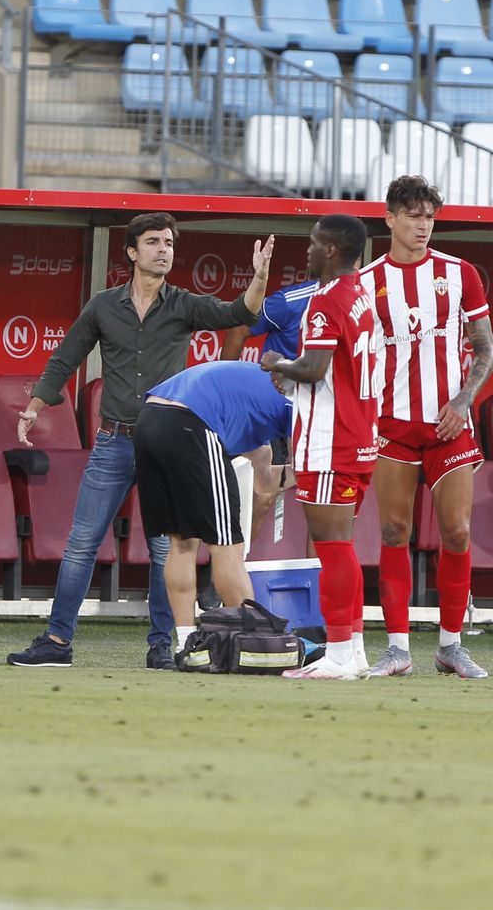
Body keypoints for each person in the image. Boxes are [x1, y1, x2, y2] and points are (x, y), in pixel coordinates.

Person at [7, 214, 275, 670]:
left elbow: (239, 313)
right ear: (132, 253)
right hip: (113, 440)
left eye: (168, 242)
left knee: (165, 549)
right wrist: (35, 406)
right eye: (153, 242)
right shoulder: (103, 306)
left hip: (165, 444)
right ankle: (56, 641)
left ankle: (161, 646)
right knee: (81, 544)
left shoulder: (184, 304)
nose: (163, 249)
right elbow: (66, 356)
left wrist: (260, 277)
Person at [360, 175, 493, 680]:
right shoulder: (369, 281)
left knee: (457, 532)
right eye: (413, 215)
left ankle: (451, 645)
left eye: (430, 216)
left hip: (449, 424)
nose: (423, 225)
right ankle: (397, 647)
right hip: (392, 424)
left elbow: (486, 348)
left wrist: (463, 399)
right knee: (395, 531)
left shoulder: (460, 273)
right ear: (390, 218)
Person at [262, 215, 379, 681]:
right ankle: (354, 651)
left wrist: (276, 361)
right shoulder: (361, 295)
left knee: (332, 549)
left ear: (330, 249)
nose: (306, 251)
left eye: (312, 243)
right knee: (342, 546)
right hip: (358, 436)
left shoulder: (327, 299)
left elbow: (313, 369)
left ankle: (337, 654)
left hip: (330, 440)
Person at [133, 361, 294, 652]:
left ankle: (185, 644)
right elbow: (317, 461)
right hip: (191, 421)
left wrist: (303, 474)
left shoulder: (250, 409)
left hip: (149, 420)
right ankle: (251, 642)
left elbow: (267, 479)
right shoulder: (299, 401)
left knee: (181, 542)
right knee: (227, 545)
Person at [221, 277, 317, 551]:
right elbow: (239, 329)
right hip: (274, 408)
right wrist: (227, 388)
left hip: (321, 414)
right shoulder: (291, 301)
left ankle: (318, 588)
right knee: (261, 496)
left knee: (326, 501)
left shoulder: (360, 301)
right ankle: (223, 580)